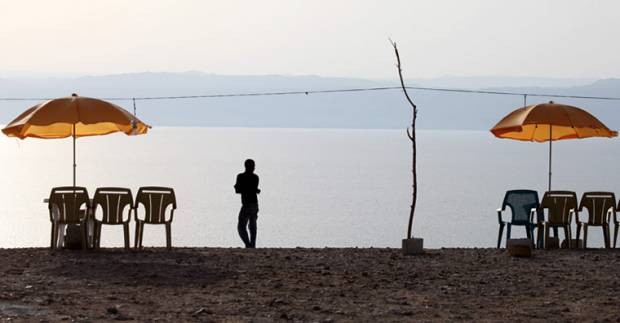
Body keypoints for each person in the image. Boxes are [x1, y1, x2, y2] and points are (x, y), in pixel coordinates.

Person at [234, 159, 260, 248]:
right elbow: (253, 189)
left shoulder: (241, 177)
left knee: (242, 225)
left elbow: (238, 190)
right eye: (253, 166)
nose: (254, 168)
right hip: (254, 203)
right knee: (252, 225)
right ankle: (252, 244)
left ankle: (248, 244)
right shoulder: (255, 177)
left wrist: (240, 187)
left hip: (247, 204)